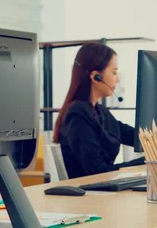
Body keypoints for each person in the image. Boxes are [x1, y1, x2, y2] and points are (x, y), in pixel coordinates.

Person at [53, 43, 145, 178]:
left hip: (103, 193)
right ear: (96, 76)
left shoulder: (100, 112)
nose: (117, 79)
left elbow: (135, 136)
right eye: (114, 72)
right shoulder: (77, 114)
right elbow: (97, 172)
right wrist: (145, 162)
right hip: (90, 194)